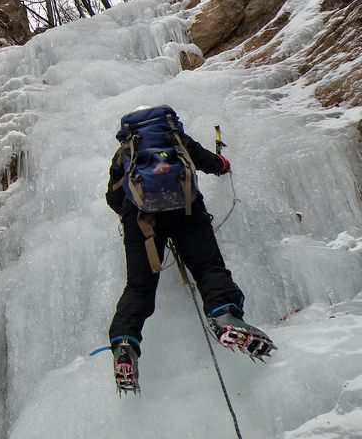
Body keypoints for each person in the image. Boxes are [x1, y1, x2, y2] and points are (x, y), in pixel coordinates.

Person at [104, 105, 274, 393]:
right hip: (186, 210)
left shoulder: (125, 152)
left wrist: (134, 214)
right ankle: (224, 317)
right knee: (208, 268)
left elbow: (113, 195)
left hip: (141, 221)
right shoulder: (175, 139)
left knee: (139, 286)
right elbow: (209, 162)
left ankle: (124, 345)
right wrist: (223, 164)